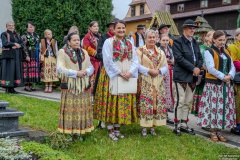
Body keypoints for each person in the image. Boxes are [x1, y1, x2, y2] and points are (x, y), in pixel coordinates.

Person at [94, 20, 138, 141]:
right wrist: (119, 72)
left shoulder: (129, 42)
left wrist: (130, 72)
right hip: (111, 75)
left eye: (123, 28)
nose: (121, 30)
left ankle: (117, 129)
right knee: (110, 102)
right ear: (113, 30)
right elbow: (107, 60)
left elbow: (135, 59)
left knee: (121, 102)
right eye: (118, 28)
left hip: (125, 75)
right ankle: (110, 129)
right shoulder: (108, 42)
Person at [198, 30, 236, 142]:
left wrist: (230, 75)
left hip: (226, 84)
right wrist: (223, 76)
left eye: (224, 40)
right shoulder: (209, 51)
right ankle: (212, 131)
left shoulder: (226, 52)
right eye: (220, 40)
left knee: (222, 107)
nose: (222, 42)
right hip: (214, 84)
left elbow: (232, 66)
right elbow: (210, 68)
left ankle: (219, 131)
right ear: (214, 40)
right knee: (213, 107)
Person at [57, 32, 94, 140]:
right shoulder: (62, 52)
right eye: (74, 40)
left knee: (81, 109)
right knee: (71, 109)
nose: (77, 42)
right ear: (68, 42)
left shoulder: (84, 52)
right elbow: (59, 69)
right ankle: (69, 133)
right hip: (71, 86)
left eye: (78, 40)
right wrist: (75, 73)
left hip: (83, 85)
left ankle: (79, 132)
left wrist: (86, 71)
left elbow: (91, 67)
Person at [172, 19, 203, 136]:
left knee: (188, 101)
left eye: (194, 28)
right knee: (180, 101)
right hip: (181, 76)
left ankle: (184, 124)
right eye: (190, 28)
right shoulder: (177, 42)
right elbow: (179, 58)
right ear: (184, 29)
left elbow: (200, 57)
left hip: (193, 76)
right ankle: (176, 125)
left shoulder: (195, 42)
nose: (192, 30)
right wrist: (193, 68)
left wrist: (198, 68)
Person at [137, 29, 168, 136]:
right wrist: (149, 71)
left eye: (154, 37)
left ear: (157, 39)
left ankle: (153, 126)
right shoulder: (140, 51)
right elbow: (137, 65)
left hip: (158, 82)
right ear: (145, 39)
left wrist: (159, 71)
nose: (152, 39)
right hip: (146, 80)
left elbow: (165, 67)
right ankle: (144, 127)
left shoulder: (161, 52)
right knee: (146, 104)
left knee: (157, 104)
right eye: (149, 37)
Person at [94, 18, 119, 129]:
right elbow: (98, 54)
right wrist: (109, 58)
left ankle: (116, 119)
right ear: (110, 27)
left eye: (116, 26)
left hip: (119, 71)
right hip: (106, 70)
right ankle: (102, 120)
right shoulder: (103, 38)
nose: (114, 28)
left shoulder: (123, 39)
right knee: (104, 95)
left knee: (116, 96)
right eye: (112, 26)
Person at [191, 30, 214, 117]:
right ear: (207, 38)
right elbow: (200, 62)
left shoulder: (214, 48)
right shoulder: (203, 48)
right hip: (204, 76)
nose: (213, 37)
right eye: (212, 36)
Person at [0, 21, 24, 93]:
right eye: (9, 25)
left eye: (12, 25)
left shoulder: (17, 35)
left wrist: (19, 45)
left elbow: (22, 43)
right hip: (8, 56)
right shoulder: (4, 34)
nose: (11, 26)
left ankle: (12, 88)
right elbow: (5, 43)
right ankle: (7, 88)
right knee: (8, 72)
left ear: (14, 26)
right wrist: (14, 43)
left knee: (15, 71)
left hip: (16, 55)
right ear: (7, 27)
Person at [159, 34, 175, 124]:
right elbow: (162, 61)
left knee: (169, 92)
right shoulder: (159, 50)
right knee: (163, 93)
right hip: (163, 72)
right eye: (163, 40)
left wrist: (170, 61)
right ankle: (163, 114)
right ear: (160, 41)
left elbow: (173, 60)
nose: (165, 42)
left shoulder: (170, 49)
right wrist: (169, 61)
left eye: (167, 40)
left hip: (170, 72)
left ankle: (166, 114)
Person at [227, 28, 240, 135]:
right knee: (237, 102)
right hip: (237, 78)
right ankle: (236, 126)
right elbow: (234, 63)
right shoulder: (232, 46)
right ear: (236, 36)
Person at [83, 21, 101, 95]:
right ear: (90, 28)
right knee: (91, 76)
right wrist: (96, 53)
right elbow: (86, 47)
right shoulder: (87, 36)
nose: (96, 27)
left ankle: (97, 91)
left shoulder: (100, 36)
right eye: (94, 26)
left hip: (99, 60)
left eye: (97, 26)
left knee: (98, 75)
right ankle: (90, 91)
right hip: (91, 60)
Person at [22, 21, 40, 91]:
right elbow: (23, 46)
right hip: (28, 54)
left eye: (32, 27)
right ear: (27, 28)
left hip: (35, 54)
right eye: (30, 27)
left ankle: (32, 85)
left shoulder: (36, 35)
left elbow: (38, 45)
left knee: (33, 69)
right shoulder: (24, 35)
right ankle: (27, 86)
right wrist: (26, 55)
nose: (32, 28)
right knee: (27, 69)